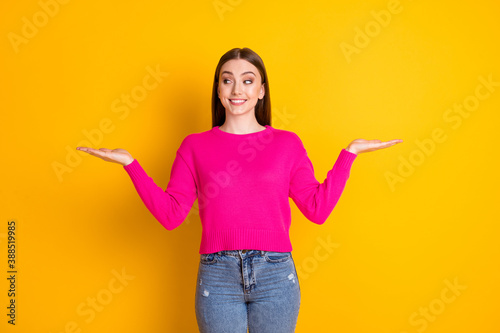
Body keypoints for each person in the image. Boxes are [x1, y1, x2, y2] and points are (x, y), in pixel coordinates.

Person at [76, 47, 403, 332]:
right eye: (227, 79)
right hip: (217, 277)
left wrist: (349, 155)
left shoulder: (287, 145)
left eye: (248, 80)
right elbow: (171, 215)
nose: (237, 89)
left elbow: (316, 210)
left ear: (261, 90)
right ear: (218, 89)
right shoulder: (195, 147)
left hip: (276, 275)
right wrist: (131, 165)